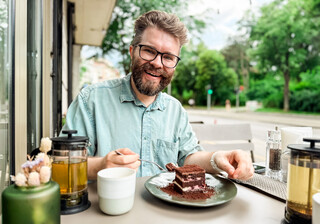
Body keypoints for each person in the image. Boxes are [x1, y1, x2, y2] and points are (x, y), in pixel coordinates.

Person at [61, 10, 254, 180]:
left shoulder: (175, 110)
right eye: (149, 51)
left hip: (167, 215)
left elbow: (187, 157)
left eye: (168, 57)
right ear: (132, 51)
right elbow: (62, 163)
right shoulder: (91, 100)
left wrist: (217, 159)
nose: (157, 63)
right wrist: (100, 166)